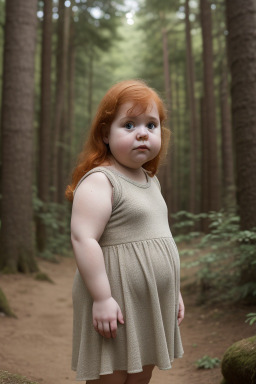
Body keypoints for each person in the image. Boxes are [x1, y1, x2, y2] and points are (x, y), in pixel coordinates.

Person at [66, 79, 184, 384]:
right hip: (114, 300)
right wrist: (102, 298)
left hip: (150, 302)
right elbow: (83, 237)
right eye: (129, 125)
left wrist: (174, 291)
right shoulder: (101, 179)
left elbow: (159, 237)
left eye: (151, 125)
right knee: (113, 375)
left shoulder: (150, 180)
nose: (142, 133)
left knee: (141, 374)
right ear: (106, 134)